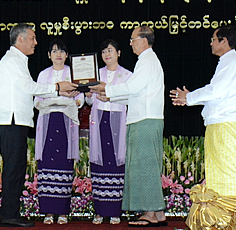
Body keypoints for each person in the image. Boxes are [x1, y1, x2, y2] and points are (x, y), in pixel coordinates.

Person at [0, 24, 78, 227]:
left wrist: (57, 90)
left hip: (17, 122)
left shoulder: (18, 60)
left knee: (16, 167)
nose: (35, 42)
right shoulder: (12, 60)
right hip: (11, 121)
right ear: (20, 39)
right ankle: (9, 215)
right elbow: (29, 87)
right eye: (32, 38)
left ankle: (9, 212)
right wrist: (57, 88)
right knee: (14, 168)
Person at [90, 26, 166, 227]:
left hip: (145, 119)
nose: (131, 43)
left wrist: (108, 89)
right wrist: (108, 95)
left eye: (133, 39)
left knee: (145, 166)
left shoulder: (147, 61)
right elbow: (134, 93)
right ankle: (158, 213)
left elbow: (133, 87)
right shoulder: (147, 61)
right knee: (147, 164)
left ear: (143, 40)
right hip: (146, 117)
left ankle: (150, 212)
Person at [169, 25, 236, 196]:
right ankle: (221, 215)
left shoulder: (232, 63)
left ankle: (233, 214)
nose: (210, 44)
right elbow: (215, 94)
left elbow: (214, 91)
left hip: (223, 123)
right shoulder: (227, 63)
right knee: (217, 171)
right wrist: (189, 98)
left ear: (224, 41)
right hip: (217, 123)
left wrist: (188, 98)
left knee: (226, 169)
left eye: (213, 39)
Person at [34, 39, 84, 225]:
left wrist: (73, 100)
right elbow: (37, 101)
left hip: (66, 122)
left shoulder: (73, 73)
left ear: (66, 54)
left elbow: (81, 99)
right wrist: (57, 96)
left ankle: (63, 211)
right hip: (48, 122)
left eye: (62, 51)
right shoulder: (42, 75)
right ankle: (48, 212)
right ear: (48, 55)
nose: (58, 54)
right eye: (54, 51)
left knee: (64, 163)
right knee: (47, 162)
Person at [86, 39, 132, 225]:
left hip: (118, 120)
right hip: (99, 120)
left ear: (119, 53)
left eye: (111, 50)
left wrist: (111, 93)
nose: (107, 54)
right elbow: (89, 102)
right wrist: (88, 95)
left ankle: (115, 211)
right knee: (100, 162)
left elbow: (130, 98)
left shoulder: (128, 75)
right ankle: (99, 211)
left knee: (114, 163)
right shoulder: (96, 74)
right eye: (104, 51)